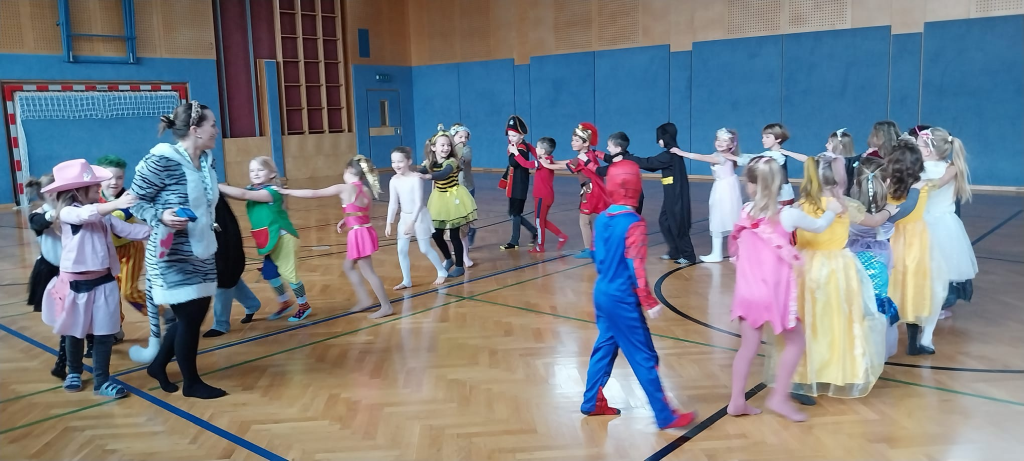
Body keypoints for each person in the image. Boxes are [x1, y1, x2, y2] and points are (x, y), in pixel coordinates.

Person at [580, 159, 697, 430]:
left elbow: (595, 255)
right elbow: (636, 266)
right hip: (622, 298)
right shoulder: (634, 223)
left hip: (602, 292)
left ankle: (591, 400)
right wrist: (648, 300)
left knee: (605, 347)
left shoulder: (602, 218)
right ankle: (665, 414)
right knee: (645, 356)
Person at [131, 100, 227, 399]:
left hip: (201, 250)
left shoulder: (207, 161)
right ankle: (192, 383)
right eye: (212, 125)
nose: (216, 130)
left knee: (194, 316)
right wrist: (160, 215)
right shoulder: (161, 160)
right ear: (196, 130)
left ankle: (158, 365)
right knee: (189, 317)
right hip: (170, 255)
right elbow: (135, 201)